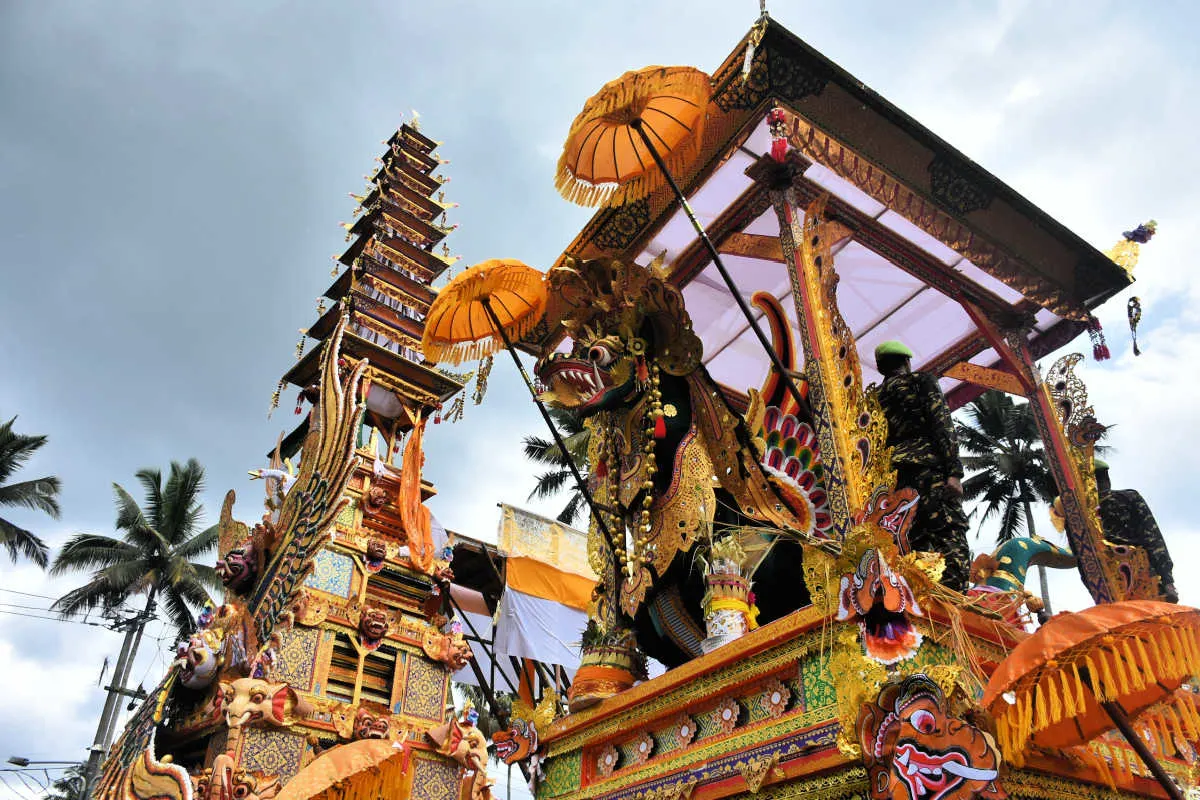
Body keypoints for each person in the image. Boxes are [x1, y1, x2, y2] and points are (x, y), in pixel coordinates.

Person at [874, 340, 970, 592]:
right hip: (930, 472)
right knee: (949, 536)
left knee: (916, 542)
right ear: (906, 361)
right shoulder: (919, 382)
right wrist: (954, 473)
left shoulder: (876, 399)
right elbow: (942, 424)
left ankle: (928, 601)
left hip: (898, 482)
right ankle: (956, 600)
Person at [1095, 459, 1177, 602]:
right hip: (1138, 572)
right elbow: (1153, 537)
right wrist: (1167, 580)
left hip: (1110, 578)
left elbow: (1152, 536)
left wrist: (1167, 579)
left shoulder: (1084, 511)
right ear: (1106, 479)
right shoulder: (1128, 497)